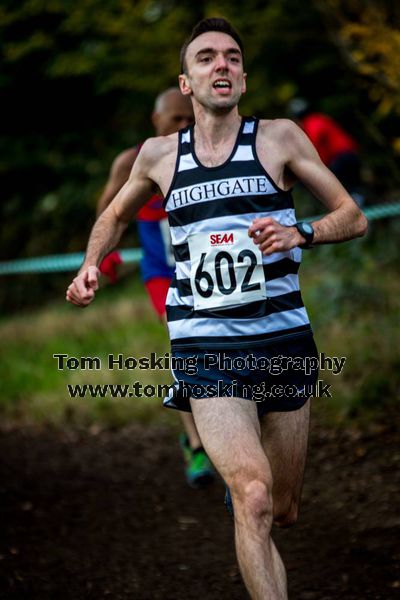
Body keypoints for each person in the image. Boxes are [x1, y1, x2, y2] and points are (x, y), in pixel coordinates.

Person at [66, 17, 367, 599]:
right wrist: (90, 264)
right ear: (186, 82)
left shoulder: (278, 138)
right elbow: (114, 216)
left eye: (231, 57)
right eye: (206, 57)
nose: (221, 64)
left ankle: (246, 481)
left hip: (283, 343)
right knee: (253, 500)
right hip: (206, 347)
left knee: (281, 509)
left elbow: (351, 216)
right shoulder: (157, 155)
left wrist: (299, 232)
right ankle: (241, 481)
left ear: (244, 78)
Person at [96, 88, 215, 489]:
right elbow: (108, 210)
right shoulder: (132, 162)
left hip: (206, 270)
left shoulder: (208, 152)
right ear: (156, 121)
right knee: (183, 342)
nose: (184, 126)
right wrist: (101, 256)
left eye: (189, 120)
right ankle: (197, 443)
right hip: (161, 273)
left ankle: (226, 424)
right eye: (176, 120)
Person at [288, 97, 365, 205]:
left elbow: (312, 147)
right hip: (348, 154)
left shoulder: (312, 123)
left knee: (335, 188)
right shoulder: (319, 119)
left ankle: (352, 210)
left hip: (342, 157)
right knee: (352, 188)